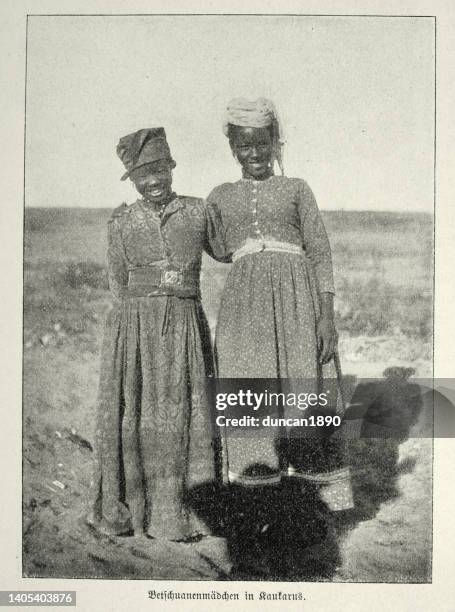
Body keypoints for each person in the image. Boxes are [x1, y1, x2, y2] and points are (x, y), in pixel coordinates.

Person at [206, 98, 353, 543]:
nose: (253, 153)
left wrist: (326, 316)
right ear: (233, 147)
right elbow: (213, 245)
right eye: (244, 145)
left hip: (298, 302)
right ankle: (258, 503)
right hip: (244, 309)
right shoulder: (219, 196)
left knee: (302, 389)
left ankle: (310, 507)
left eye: (261, 143)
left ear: (274, 142)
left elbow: (321, 251)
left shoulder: (298, 189)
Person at [87, 128, 225, 541]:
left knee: (186, 411)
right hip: (137, 329)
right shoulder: (122, 221)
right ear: (133, 178)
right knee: (141, 415)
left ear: (171, 168)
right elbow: (117, 281)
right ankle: (133, 512)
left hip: (185, 324)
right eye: (143, 174)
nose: (153, 181)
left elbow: (224, 250)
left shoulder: (199, 212)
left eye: (159, 170)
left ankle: (181, 517)